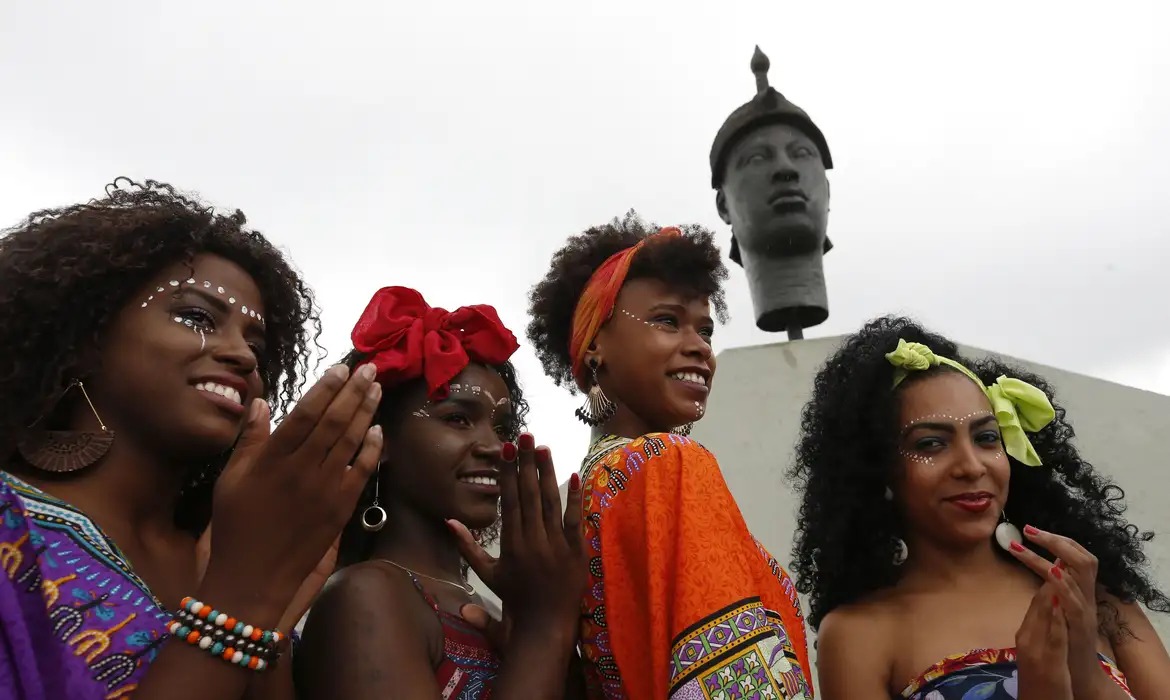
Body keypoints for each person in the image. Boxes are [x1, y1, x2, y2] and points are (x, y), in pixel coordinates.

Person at [0, 179, 382, 700]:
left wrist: (266, 623)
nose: (244, 357)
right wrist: (240, 599)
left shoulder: (229, 550)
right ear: (84, 339)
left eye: (256, 344)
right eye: (197, 317)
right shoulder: (9, 524)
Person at [789, 316, 1170, 699]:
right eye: (931, 445)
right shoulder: (859, 634)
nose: (972, 466)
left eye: (987, 438)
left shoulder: (1092, 594)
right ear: (878, 468)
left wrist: (1085, 667)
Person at [527, 211, 815, 700]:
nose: (700, 348)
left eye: (706, 331)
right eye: (667, 321)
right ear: (596, 344)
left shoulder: (599, 483)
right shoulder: (669, 463)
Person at [295, 285, 588, 699]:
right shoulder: (365, 596)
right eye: (457, 419)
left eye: (502, 427)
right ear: (379, 439)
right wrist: (545, 629)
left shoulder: (496, 610)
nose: (495, 446)